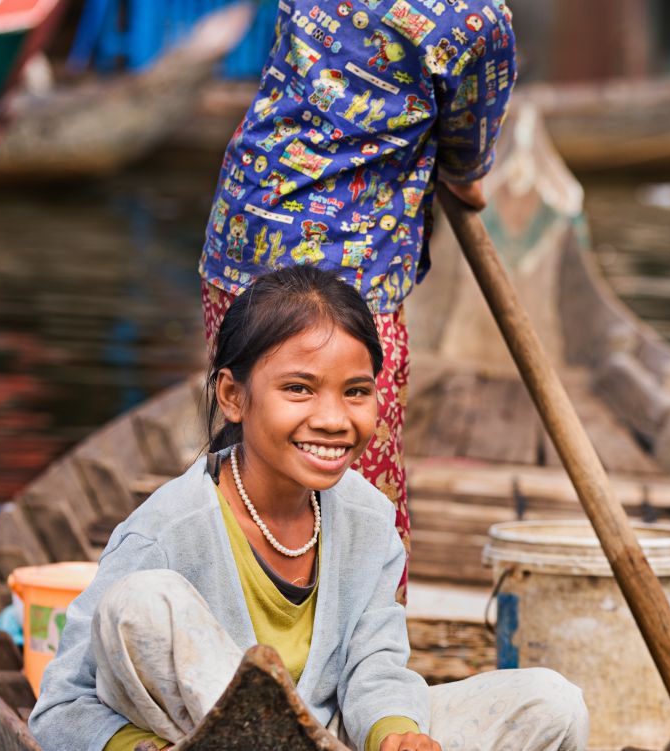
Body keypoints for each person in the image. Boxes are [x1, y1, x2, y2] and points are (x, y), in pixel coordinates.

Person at [29, 267, 588, 751]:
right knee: (142, 602)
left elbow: (375, 668)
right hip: (202, 741)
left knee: (552, 705)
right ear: (233, 396)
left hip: (335, 738)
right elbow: (59, 712)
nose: (333, 418)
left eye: (356, 391)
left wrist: (395, 733)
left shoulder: (369, 518)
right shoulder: (166, 532)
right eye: (299, 389)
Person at [198, 0, 517, 601]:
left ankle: (246, 624)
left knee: (249, 448)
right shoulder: (478, 20)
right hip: (350, 277)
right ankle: (361, 655)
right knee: (356, 479)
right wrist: (453, 167)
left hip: (243, 234)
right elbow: (466, 163)